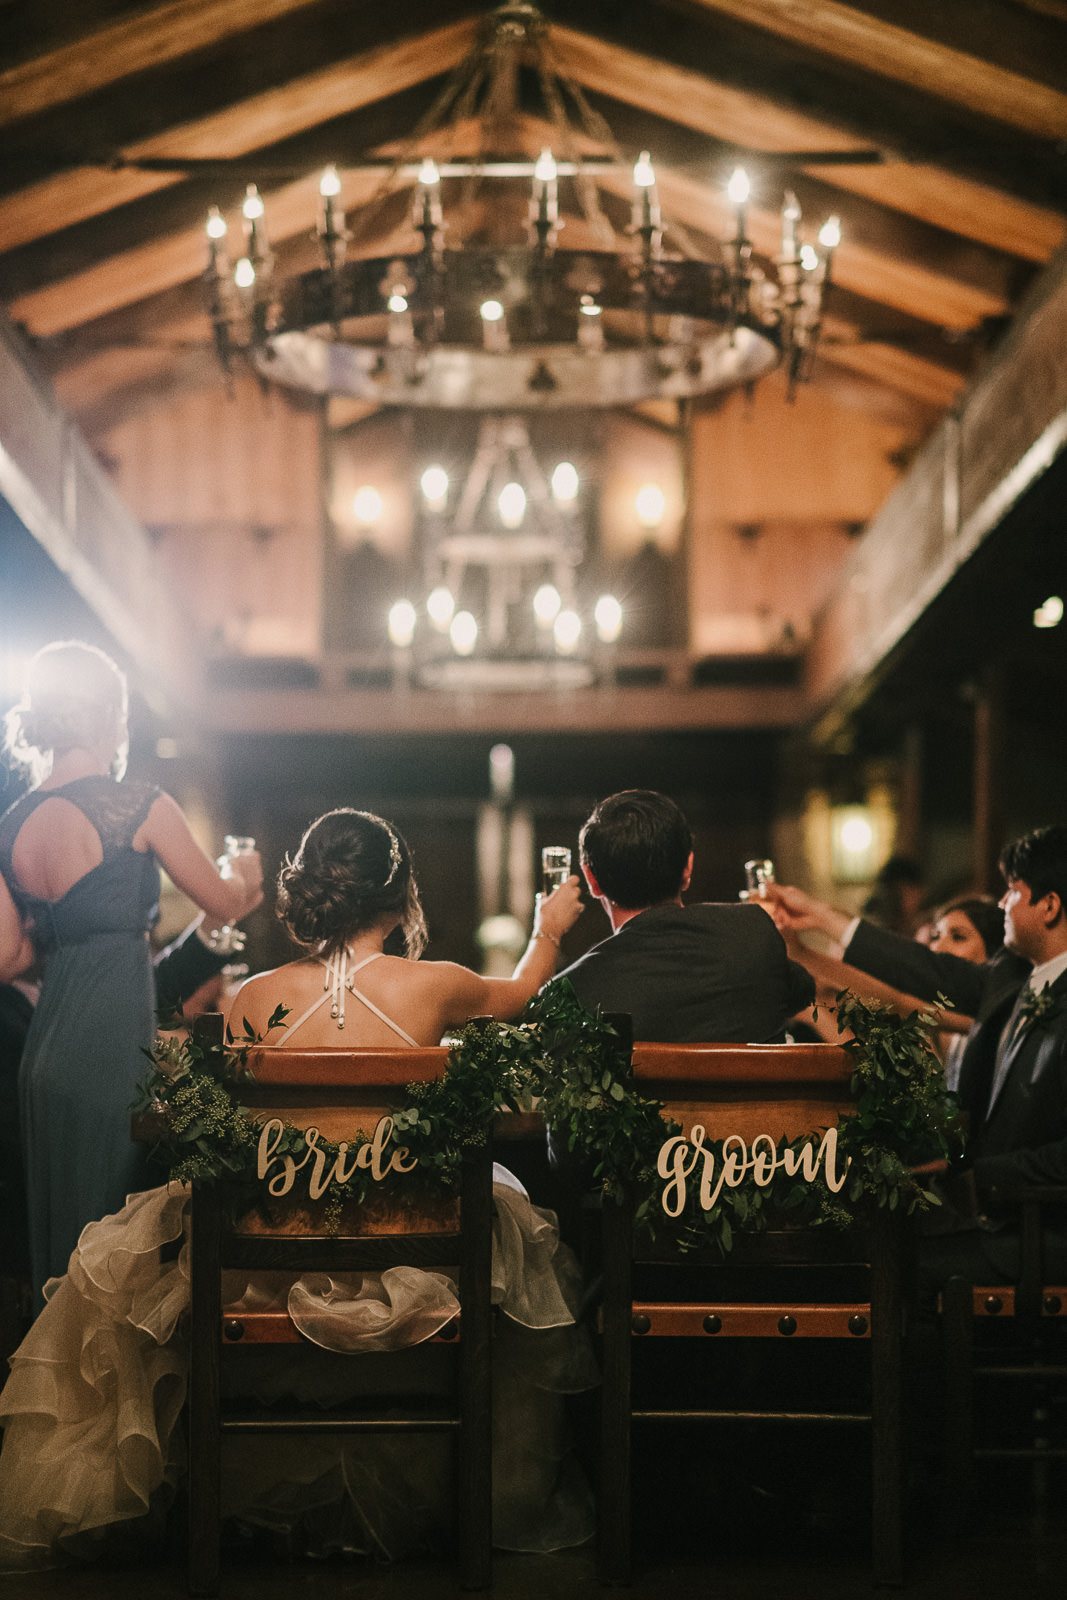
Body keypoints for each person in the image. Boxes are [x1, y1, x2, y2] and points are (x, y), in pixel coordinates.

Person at [0, 806, 594, 1568]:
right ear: (399, 892)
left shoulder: (252, 1001)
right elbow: (521, 998)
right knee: (511, 1225)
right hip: (403, 1253)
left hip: (265, 1255)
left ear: (311, 892)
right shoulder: (438, 987)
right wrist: (548, 929)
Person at [0, 640, 265, 1299]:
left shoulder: (11, 823)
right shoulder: (141, 805)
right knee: (109, 1247)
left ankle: (55, 1395)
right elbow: (226, 903)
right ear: (109, 716)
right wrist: (246, 875)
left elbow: (8, 957)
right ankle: (106, 1398)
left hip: (46, 1059)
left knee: (60, 1256)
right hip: (108, 1056)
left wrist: (68, 934)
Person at [767, 826, 1067, 1292]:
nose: (1003, 903)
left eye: (1013, 890)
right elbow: (918, 978)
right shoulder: (1016, 979)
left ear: (1049, 906)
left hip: (1035, 1233)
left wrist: (974, 1172)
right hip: (996, 1218)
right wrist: (818, 923)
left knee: (865, 1262)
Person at [548, 789, 814, 1042]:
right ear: (688, 867)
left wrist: (545, 933)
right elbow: (804, 992)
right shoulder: (754, 930)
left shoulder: (571, 993)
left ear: (591, 879)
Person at [927, 896, 1004, 1090]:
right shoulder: (916, 1024)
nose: (938, 947)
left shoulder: (998, 1030)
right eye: (936, 936)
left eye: (958, 937)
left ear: (993, 956)